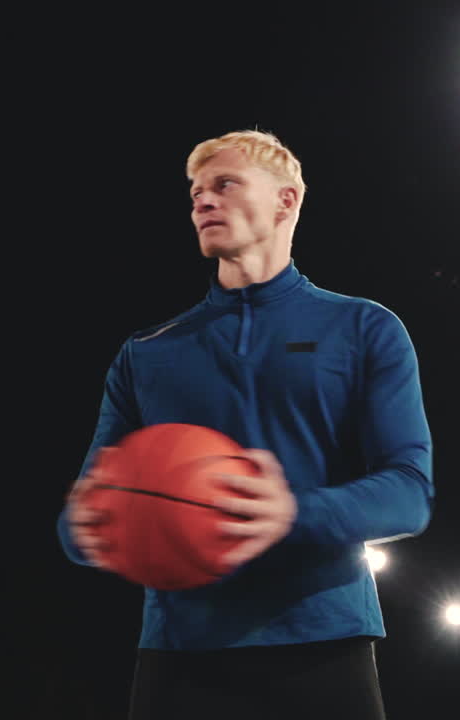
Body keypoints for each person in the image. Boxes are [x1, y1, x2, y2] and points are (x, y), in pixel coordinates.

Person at [57, 130, 434, 719]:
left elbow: (410, 493)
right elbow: (86, 513)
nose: (203, 201)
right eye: (195, 193)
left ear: (286, 201)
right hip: (180, 655)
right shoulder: (146, 352)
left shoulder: (364, 329)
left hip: (323, 645)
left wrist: (292, 512)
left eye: (224, 184)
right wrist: (86, 528)